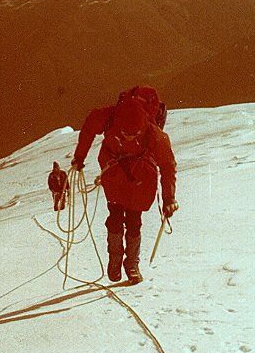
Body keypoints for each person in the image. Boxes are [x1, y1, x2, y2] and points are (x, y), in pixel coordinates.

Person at [71, 88, 178, 284]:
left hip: (140, 174)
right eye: (125, 133)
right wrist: (79, 157)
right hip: (114, 172)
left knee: (134, 220)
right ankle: (117, 259)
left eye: (134, 134)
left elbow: (168, 166)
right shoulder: (111, 116)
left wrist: (169, 198)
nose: (129, 137)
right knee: (115, 216)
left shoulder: (154, 134)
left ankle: (131, 263)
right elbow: (88, 128)